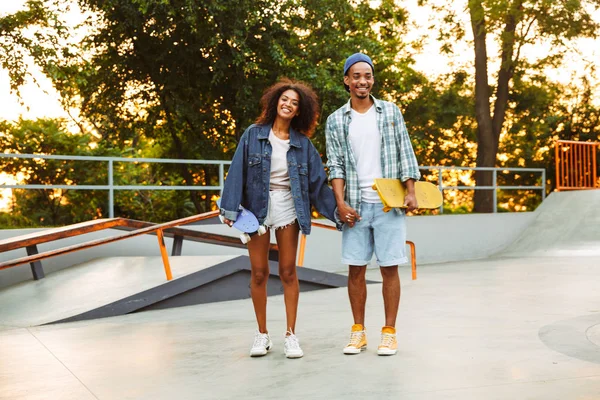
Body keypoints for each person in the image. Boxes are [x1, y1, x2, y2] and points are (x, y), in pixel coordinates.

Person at [219, 78, 340, 359]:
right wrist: (229, 209)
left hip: (289, 206)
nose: (288, 104)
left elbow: (317, 185)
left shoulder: (303, 144)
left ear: (299, 111)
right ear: (276, 102)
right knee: (259, 272)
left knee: (287, 271)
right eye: (285, 99)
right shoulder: (253, 134)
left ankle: (291, 335)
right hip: (256, 209)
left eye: (295, 103)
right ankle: (262, 334)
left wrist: (338, 212)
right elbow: (236, 172)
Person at [325, 53, 421, 356]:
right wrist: (340, 204)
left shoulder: (390, 112)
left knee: (389, 269)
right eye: (355, 76)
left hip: (387, 205)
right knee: (355, 270)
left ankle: (389, 333)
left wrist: (411, 190)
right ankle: (358, 332)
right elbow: (335, 164)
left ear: (372, 79)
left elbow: (405, 151)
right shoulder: (336, 119)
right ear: (346, 80)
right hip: (355, 206)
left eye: (367, 76)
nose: (362, 81)